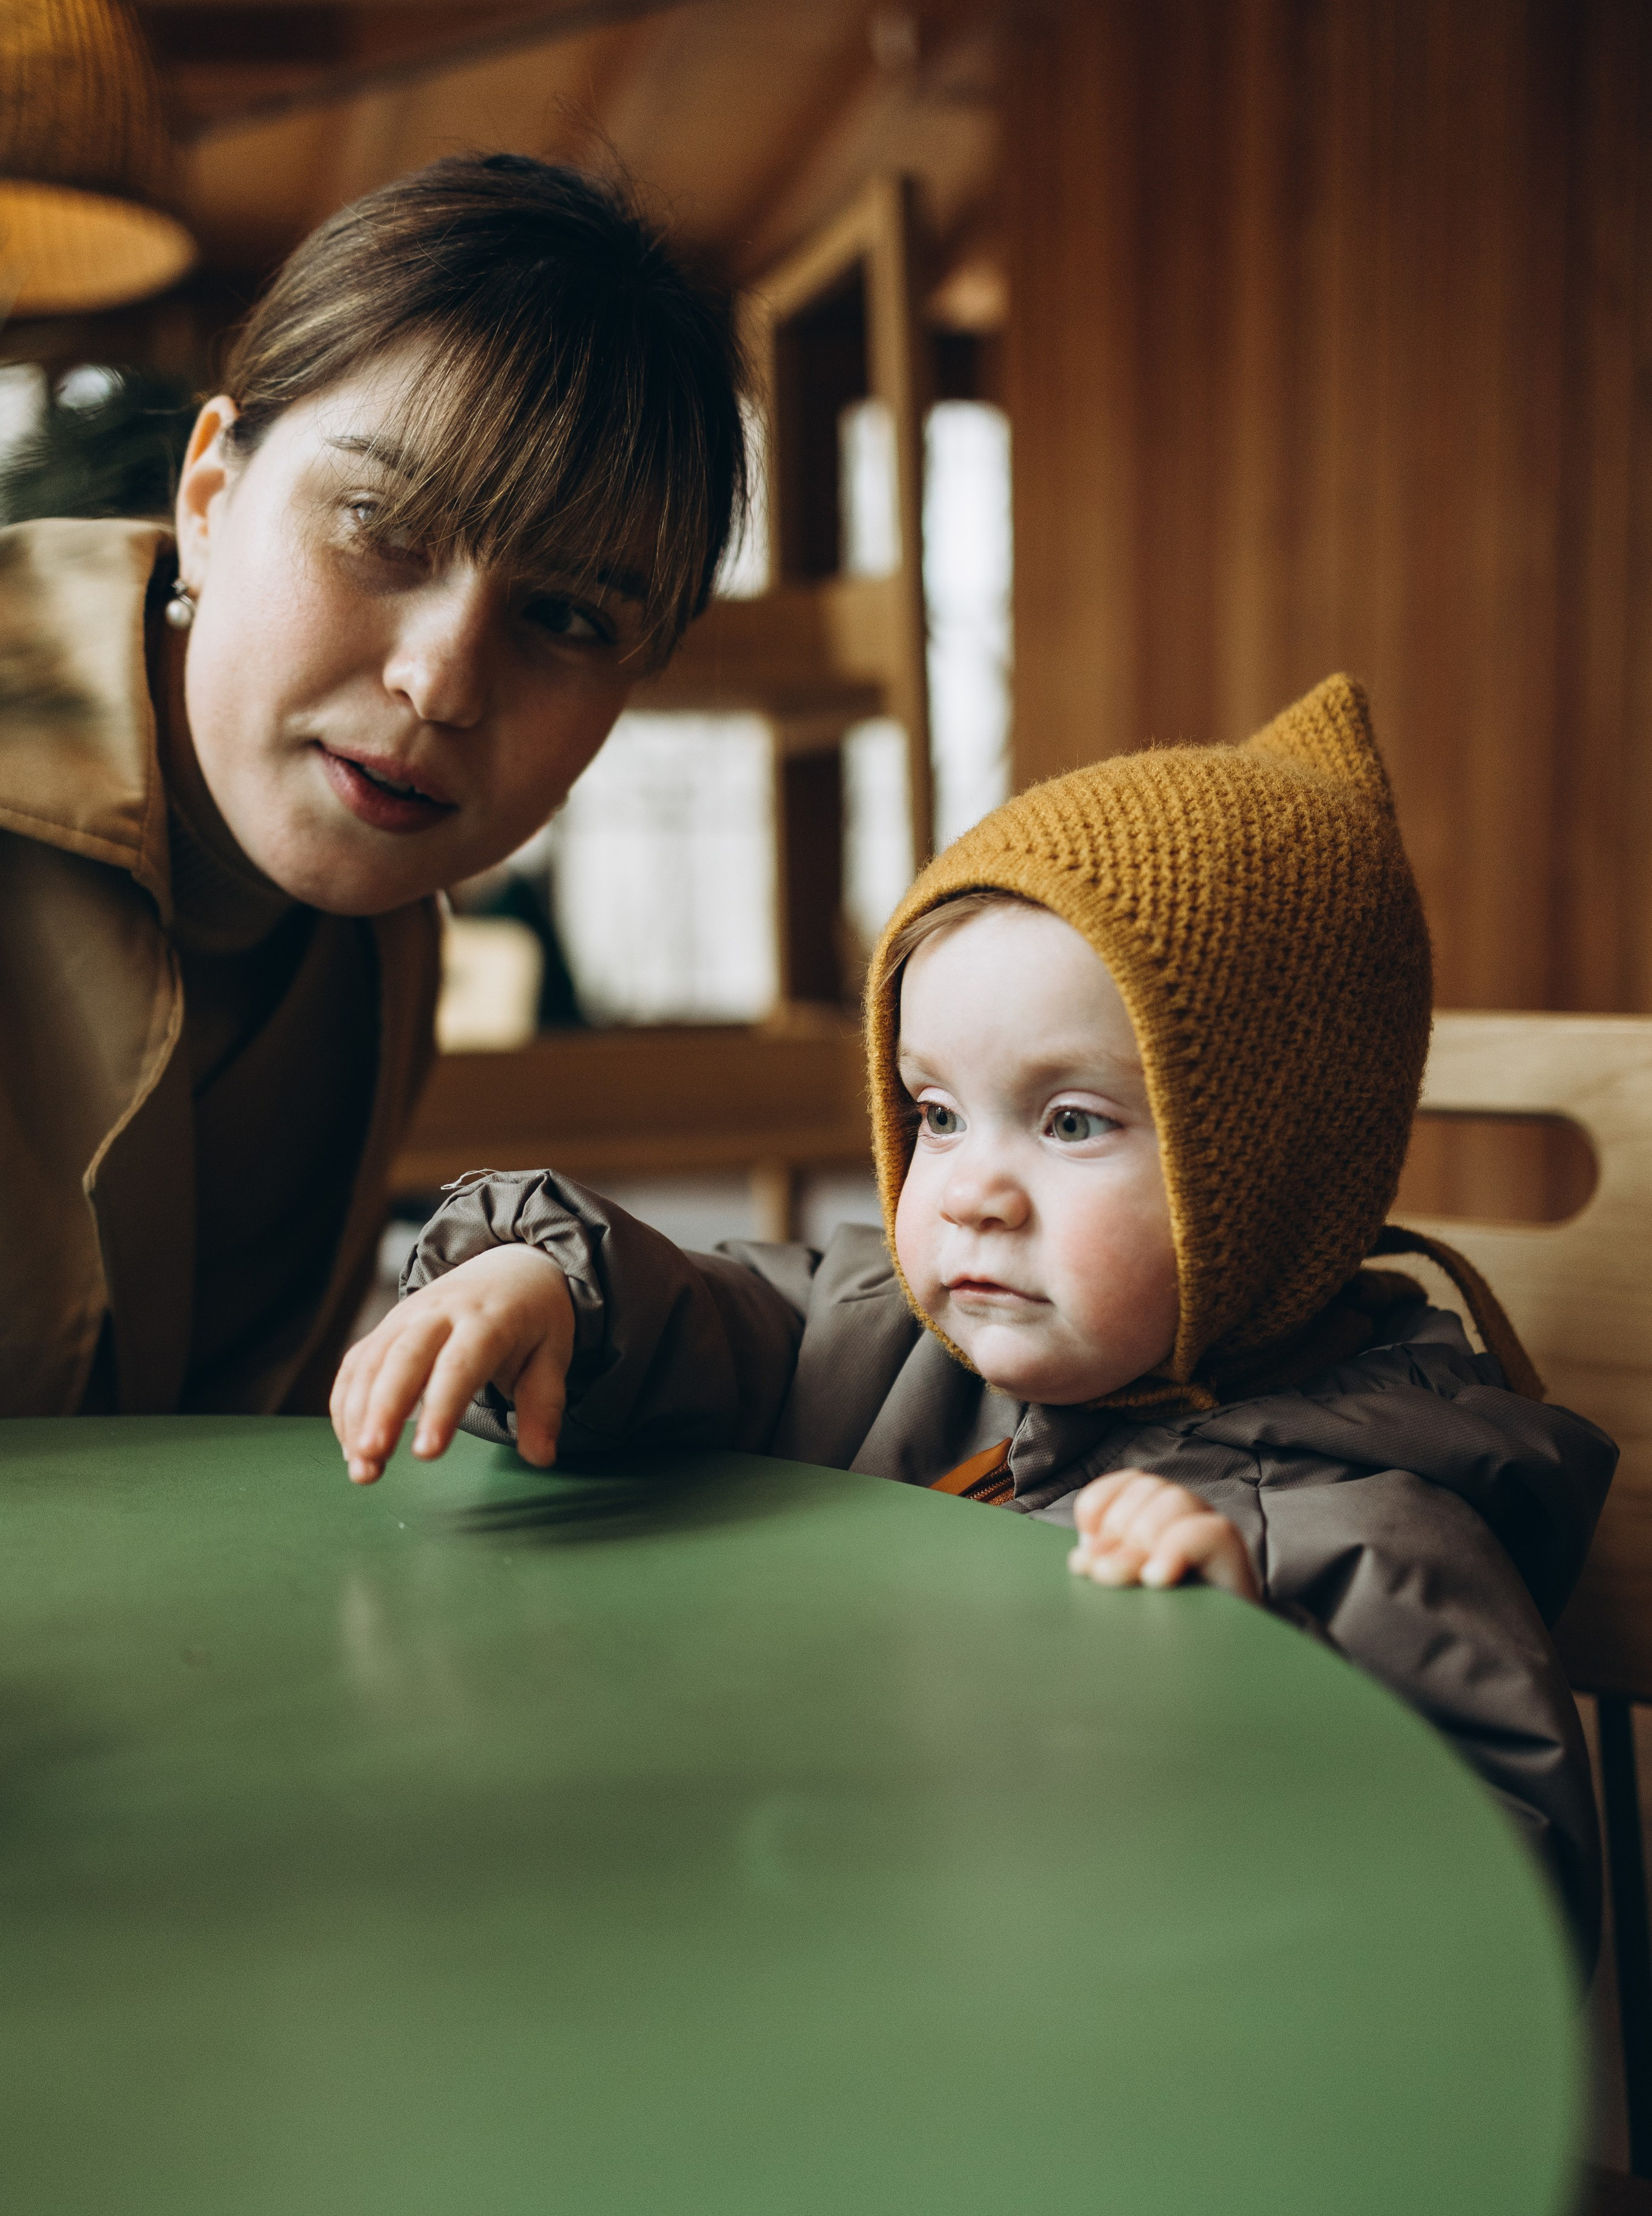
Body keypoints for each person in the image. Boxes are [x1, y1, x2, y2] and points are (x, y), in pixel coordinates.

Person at [330, 673, 1613, 1956]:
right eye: (936, 1113)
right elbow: (716, 1318)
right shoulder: (891, 1340)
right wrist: (549, 1278)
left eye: (1069, 1121)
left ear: (1269, 1170)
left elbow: (1496, 1932)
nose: (969, 1194)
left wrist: (1248, 1702)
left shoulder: (1380, 1541)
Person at [0, 152, 745, 1418]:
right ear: (209, 495)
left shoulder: (381, 938)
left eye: (564, 614)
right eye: (379, 529)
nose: (444, 682)